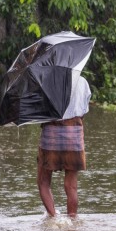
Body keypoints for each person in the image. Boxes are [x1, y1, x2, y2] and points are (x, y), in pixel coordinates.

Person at [37, 76, 91, 218]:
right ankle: (72, 222)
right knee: (71, 186)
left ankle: (53, 217)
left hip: (51, 132)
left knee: (43, 181)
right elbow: (84, 110)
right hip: (74, 132)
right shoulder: (82, 81)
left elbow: (40, 110)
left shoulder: (46, 81)